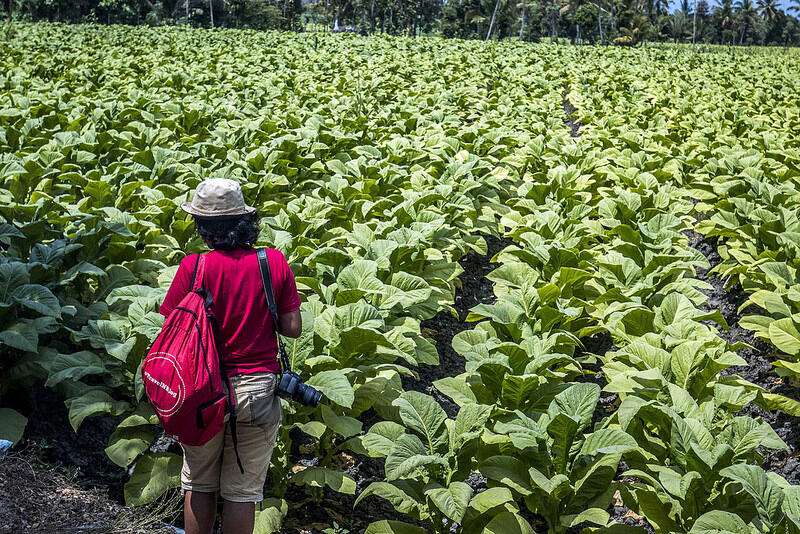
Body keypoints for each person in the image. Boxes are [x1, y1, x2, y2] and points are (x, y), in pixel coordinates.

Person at [159, 178, 302, 534]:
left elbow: (172, 326)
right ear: (244, 222)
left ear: (203, 226)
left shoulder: (194, 267)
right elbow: (292, 328)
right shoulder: (273, 262)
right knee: (242, 492)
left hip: (202, 392)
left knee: (199, 483)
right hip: (257, 391)